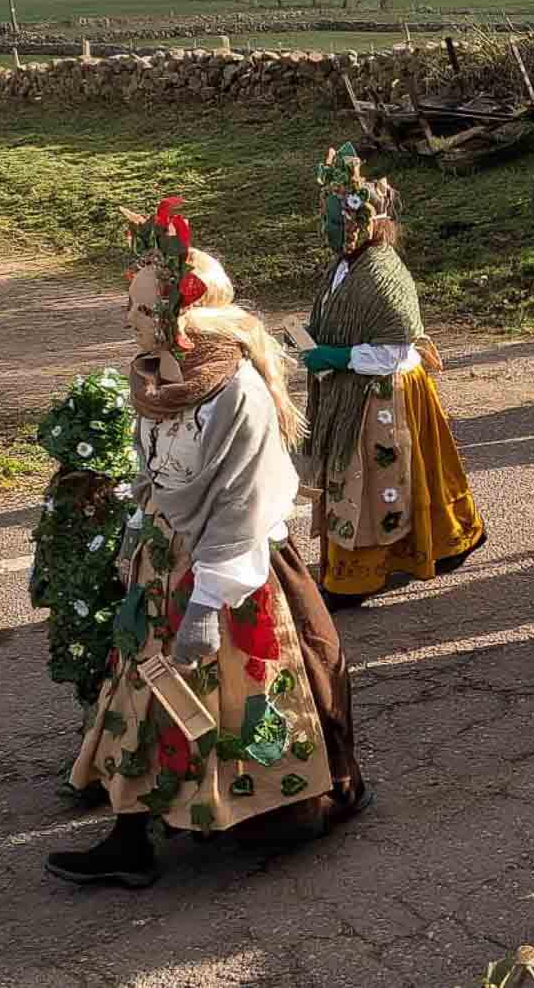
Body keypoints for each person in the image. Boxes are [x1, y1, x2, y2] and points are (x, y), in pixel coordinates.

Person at [51, 203, 365, 888]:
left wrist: (207, 600)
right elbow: (155, 464)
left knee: (244, 695)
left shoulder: (236, 391)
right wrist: (137, 523)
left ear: (179, 313)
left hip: (234, 568)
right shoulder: (156, 379)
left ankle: (267, 809)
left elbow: (243, 503)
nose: (126, 319)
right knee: (142, 685)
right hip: (164, 560)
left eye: (138, 307)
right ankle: (130, 836)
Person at [299, 146, 484, 609]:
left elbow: (396, 350)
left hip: (383, 395)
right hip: (355, 389)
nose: (325, 229)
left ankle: (358, 575)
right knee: (401, 481)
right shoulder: (342, 267)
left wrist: (338, 356)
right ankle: (443, 544)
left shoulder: (383, 274)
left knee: (371, 482)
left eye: (332, 220)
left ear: (359, 221)